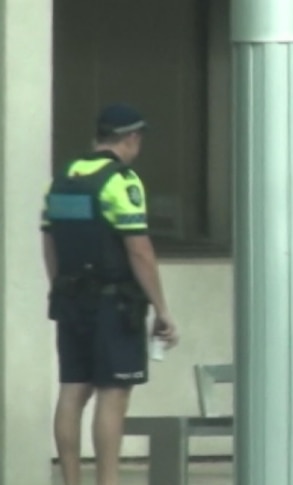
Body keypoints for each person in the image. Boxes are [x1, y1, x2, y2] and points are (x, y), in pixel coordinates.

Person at [40, 104, 178, 485]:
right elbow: (139, 250)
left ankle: (70, 480)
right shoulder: (122, 181)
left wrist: (60, 286)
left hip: (70, 300)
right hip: (114, 303)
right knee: (113, 393)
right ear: (131, 138)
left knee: (72, 390)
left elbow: (49, 240)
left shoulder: (62, 178)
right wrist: (162, 309)